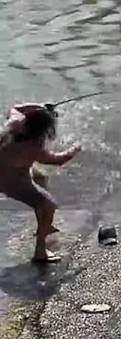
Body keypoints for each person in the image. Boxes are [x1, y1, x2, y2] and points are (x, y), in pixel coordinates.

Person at [0, 103, 81, 263]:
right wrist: (76, 148)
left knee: (40, 177)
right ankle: (40, 250)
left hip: (8, 168)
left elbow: (15, 107)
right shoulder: (33, 148)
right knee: (49, 206)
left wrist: (40, 107)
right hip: (9, 181)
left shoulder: (14, 124)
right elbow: (59, 160)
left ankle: (42, 223)